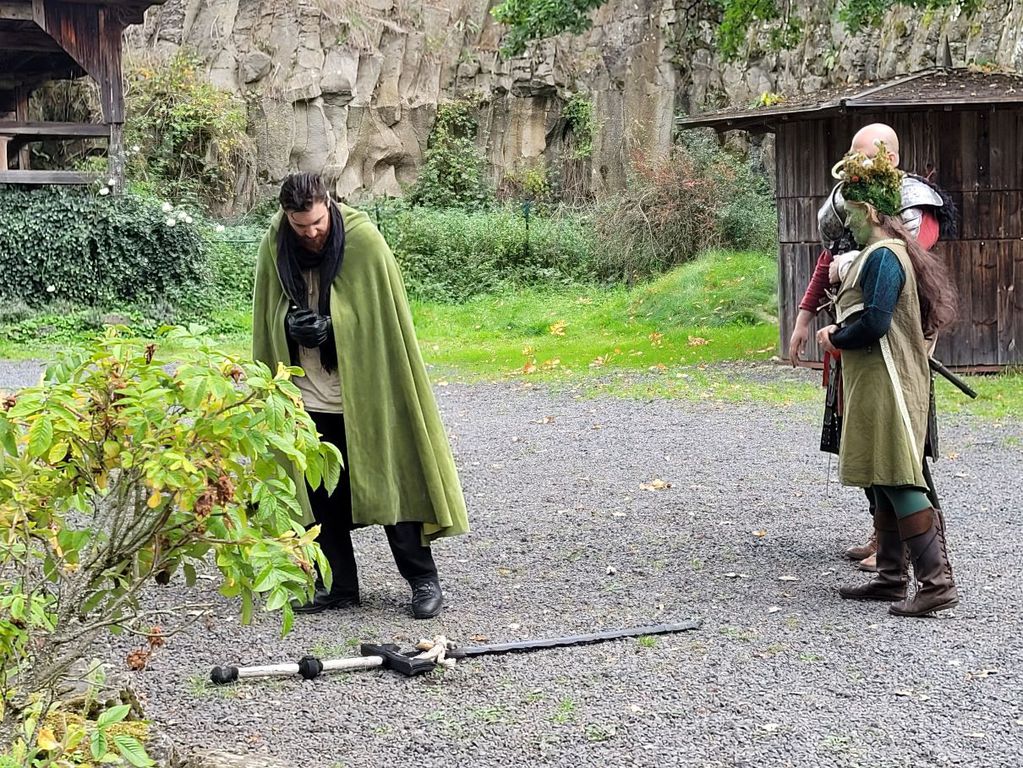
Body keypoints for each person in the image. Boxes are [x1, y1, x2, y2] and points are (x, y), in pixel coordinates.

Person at [252, 173, 469, 619]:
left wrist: (335, 329)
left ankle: (423, 580)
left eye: (317, 223)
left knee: (392, 479)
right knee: (320, 493)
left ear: (328, 205)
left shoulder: (363, 240)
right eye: (300, 226)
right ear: (286, 217)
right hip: (306, 393)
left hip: (365, 392)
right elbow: (267, 314)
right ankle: (338, 585)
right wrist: (288, 327)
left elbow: (380, 320)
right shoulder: (275, 243)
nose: (311, 233)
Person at [788, 123, 953, 571]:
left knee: (903, 455)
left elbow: (898, 267)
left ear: (890, 158)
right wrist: (805, 318)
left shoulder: (910, 208)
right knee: (862, 440)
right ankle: (886, 546)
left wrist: (850, 272)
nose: (854, 164)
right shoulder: (849, 206)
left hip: (897, 344)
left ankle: (929, 562)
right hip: (857, 338)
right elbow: (828, 259)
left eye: (864, 155)